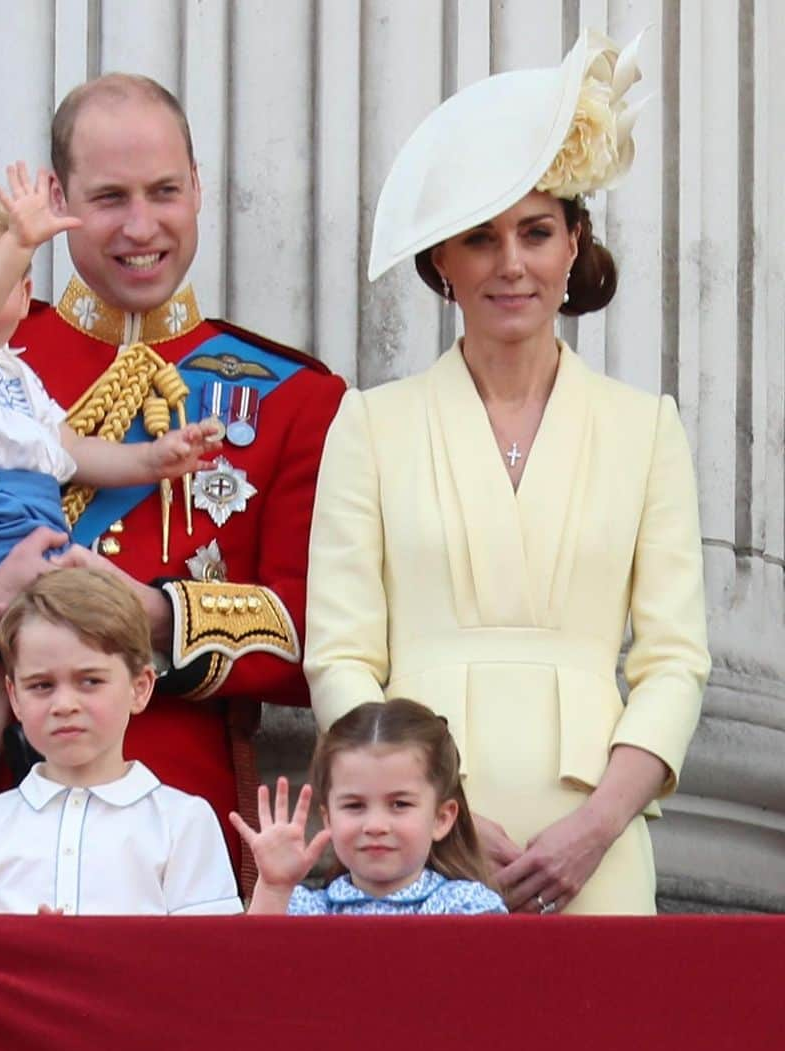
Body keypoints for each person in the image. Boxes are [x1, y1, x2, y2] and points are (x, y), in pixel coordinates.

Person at [0, 73, 346, 884]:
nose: (139, 225)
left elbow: (318, 636)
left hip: (168, 827)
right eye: (108, 196)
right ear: (57, 199)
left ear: (198, 189)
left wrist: (152, 615)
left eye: (163, 192)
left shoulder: (295, 396)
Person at [304, 30, 711, 914]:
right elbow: (338, 654)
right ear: (442, 264)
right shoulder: (371, 424)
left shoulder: (647, 429)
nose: (512, 263)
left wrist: (600, 824)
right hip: (416, 847)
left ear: (574, 246)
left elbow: (675, 661)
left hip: (596, 840)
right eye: (481, 239)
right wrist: (431, 821)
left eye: (536, 232)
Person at [0, 167, 220, 830]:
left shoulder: (20, 375)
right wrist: (17, 241)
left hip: (42, 537)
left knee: (58, 718)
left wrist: (155, 461)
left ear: (24, 294)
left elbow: (71, 451)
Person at [0, 568, 242, 914]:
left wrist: (272, 889)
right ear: (14, 697)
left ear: (140, 687)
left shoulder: (183, 822)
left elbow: (210, 957)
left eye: (90, 681)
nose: (64, 705)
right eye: (41, 685)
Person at [233, 699, 505, 915]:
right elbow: (251, 971)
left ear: (441, 819)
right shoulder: (305, 910)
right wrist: (274, 888)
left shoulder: (466, 907)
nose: (375, 826)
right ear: (328, 819)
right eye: (354, 805)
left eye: (399, 804)